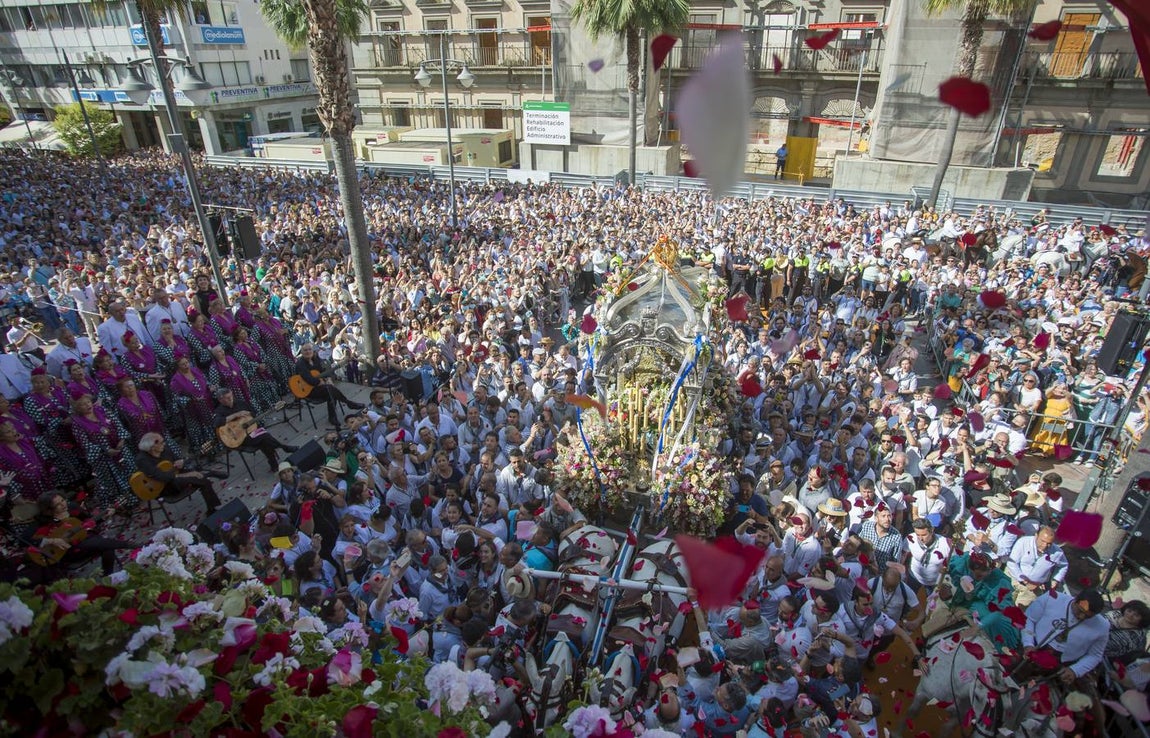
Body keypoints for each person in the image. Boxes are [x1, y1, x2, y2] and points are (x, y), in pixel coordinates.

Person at [27, 491, 137, 578]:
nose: (63, 505)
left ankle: (108, 576)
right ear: (49, 510)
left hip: (88, 542)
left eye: (63, 500)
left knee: (105, 546)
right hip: (67, 552)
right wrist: (52, 540)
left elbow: (88, 523)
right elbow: (25, 540)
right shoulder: (43, 521)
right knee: (100, 543)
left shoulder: (73, 508)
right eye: (57, 505)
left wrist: (104, 517)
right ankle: (132, 545)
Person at [134, 432, 223, 514]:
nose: (164, 444)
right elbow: (161, 476)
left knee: (202, 479)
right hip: (164, 486)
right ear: (152, 447)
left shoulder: (165, 449)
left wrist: (181, 462)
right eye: (161, 442)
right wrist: (188, 474)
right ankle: (209, 477)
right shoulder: (142, 460)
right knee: (200, 478)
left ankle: (212, 509)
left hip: (176, 475)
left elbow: (177, 462)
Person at [212, 386, 296, 472]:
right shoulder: (219, 411)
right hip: (239, 438)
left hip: (251, 431)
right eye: (227, 398)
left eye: (231, 396)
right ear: (220, 400)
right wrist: (236, 415)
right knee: (264, 437)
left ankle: (274, 464)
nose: (231, 399)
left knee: (264, 440)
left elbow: (253, 413)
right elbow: (217, 423)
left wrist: (249, 414)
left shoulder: (240, 403)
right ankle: (283, 448)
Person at [293, 343, 364, 428]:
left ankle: (334, 416)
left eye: (309, 349)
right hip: (308, 390)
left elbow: (322, 372)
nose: (308, 352)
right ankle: (347, 404)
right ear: (301, 352)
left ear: (313, 351)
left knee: (330, 391)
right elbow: (308, 378)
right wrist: (319, 382)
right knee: (330, 389)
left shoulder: (315, 359)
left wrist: (328, 378)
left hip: (320, 388)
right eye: (305, 350)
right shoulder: (300, 364)